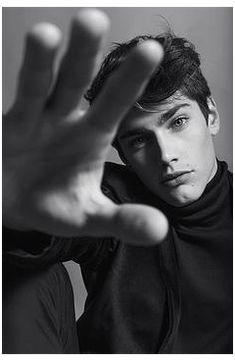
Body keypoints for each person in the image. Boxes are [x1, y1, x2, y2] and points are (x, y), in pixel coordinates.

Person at [2, 8, 232, 354]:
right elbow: (52, 229)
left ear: (210, 116)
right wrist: (21, 219)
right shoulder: (114, 200)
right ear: (122, 154)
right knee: (20, 268)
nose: (166, 154)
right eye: (139, 140)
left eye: (178, 122)